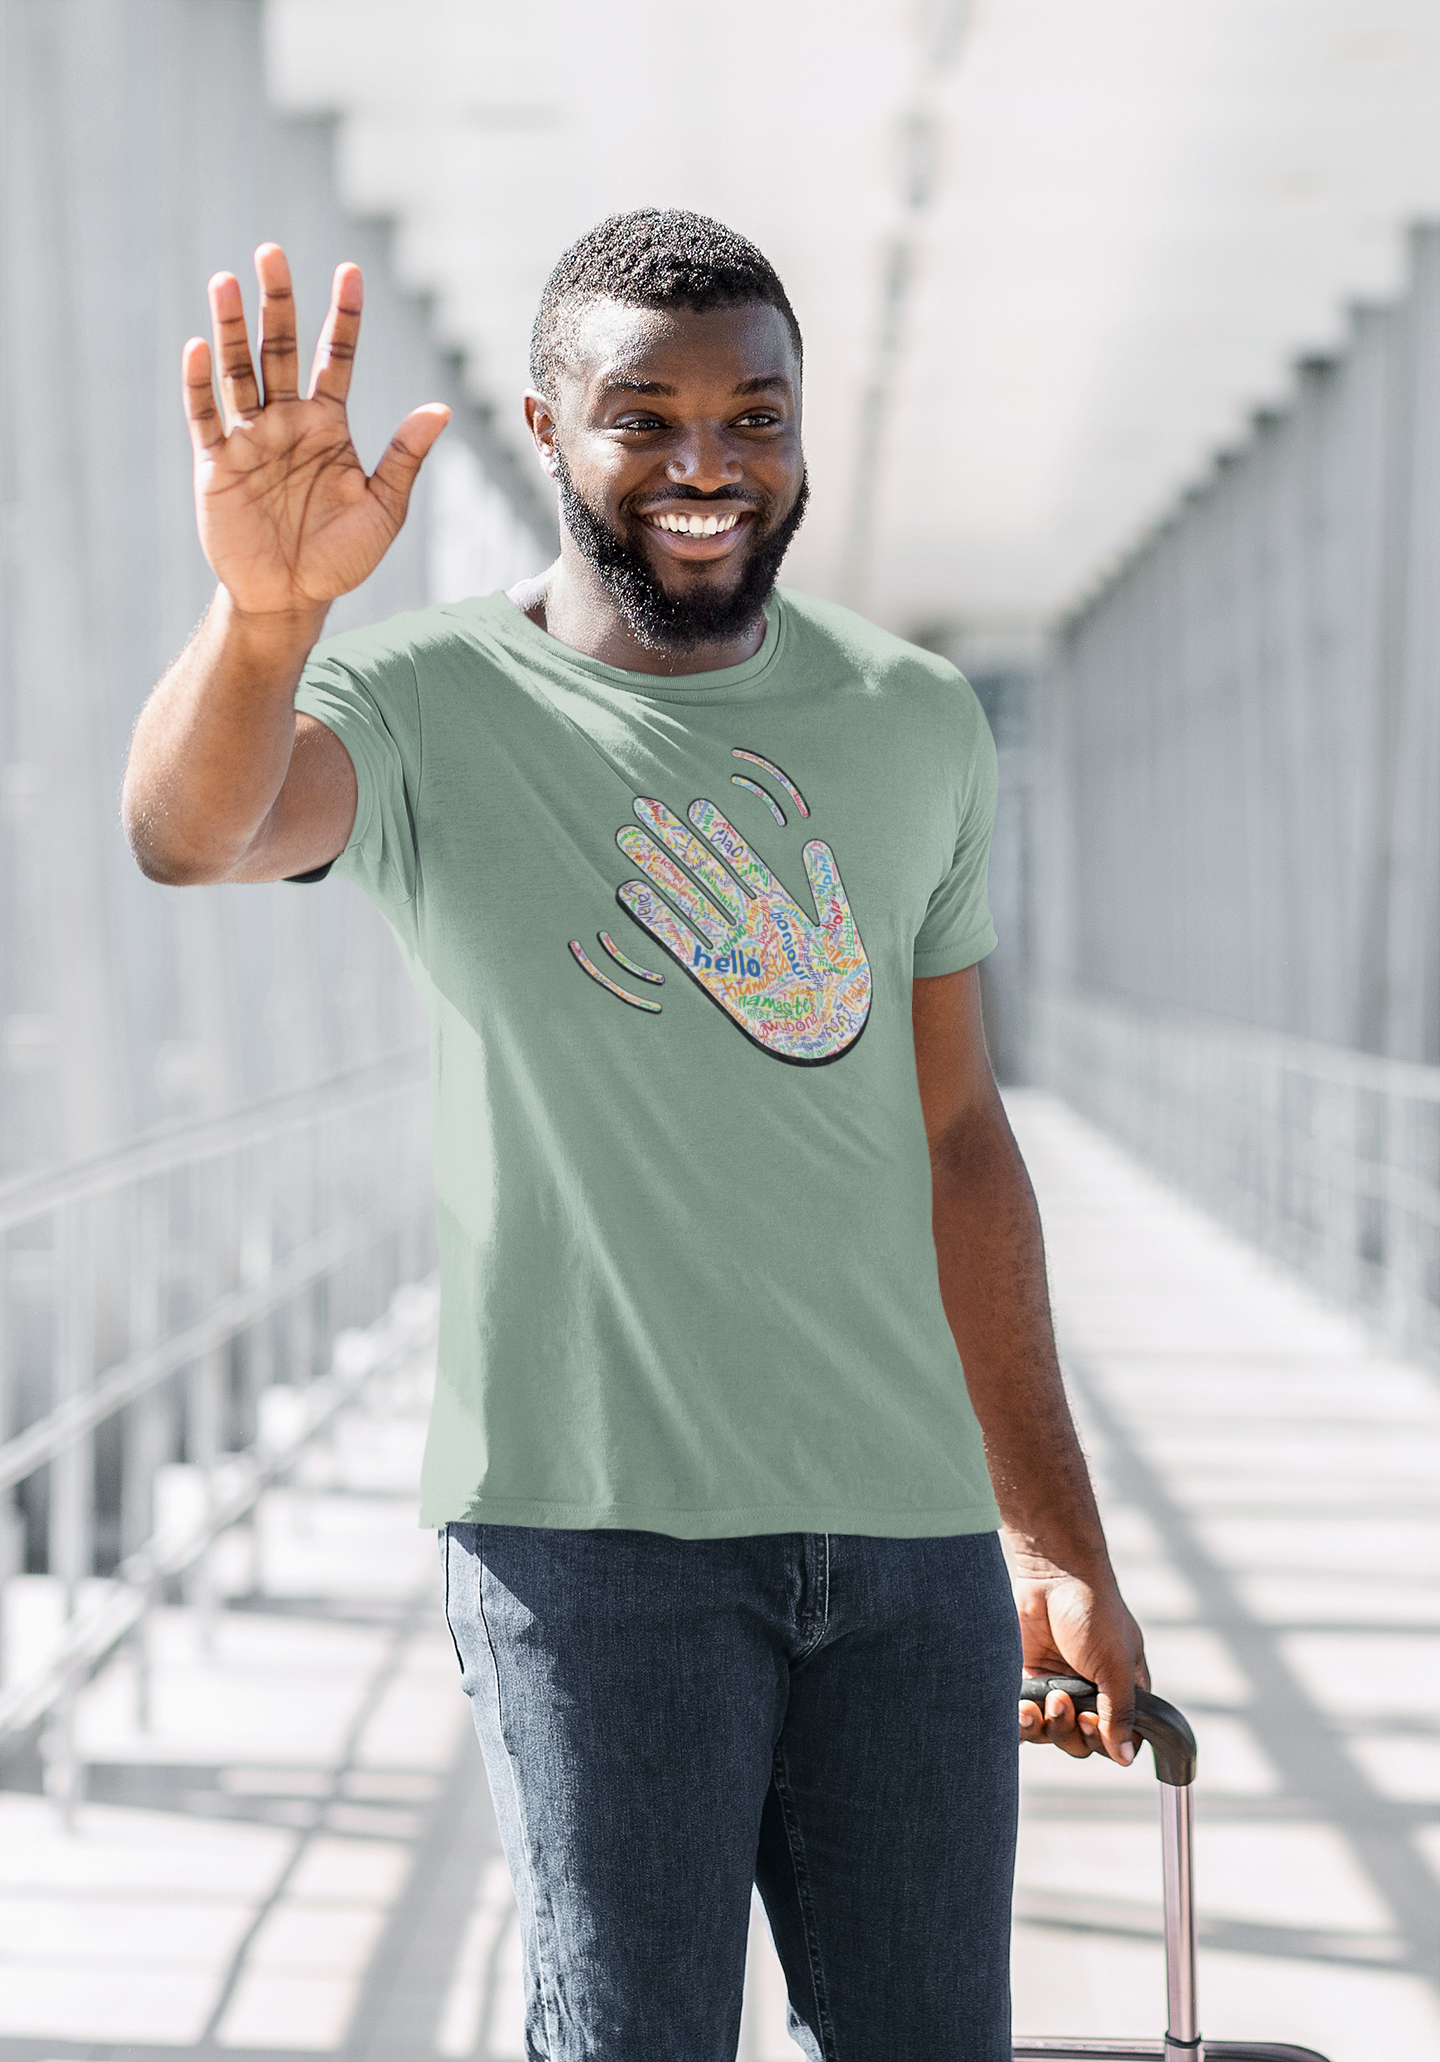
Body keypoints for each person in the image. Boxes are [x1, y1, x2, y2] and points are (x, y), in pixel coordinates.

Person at [123, 210, 1147, 2062]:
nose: (705, 465)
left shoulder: (912, 717)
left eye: (753, 417)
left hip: (911, 1548)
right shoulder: (428, 705)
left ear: (804, 435)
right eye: (644, 414)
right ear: (545, 429)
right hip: (594, 1550)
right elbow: (196, 830)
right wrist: (266, 620)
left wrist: (1051, 1530)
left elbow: (960, 1136)